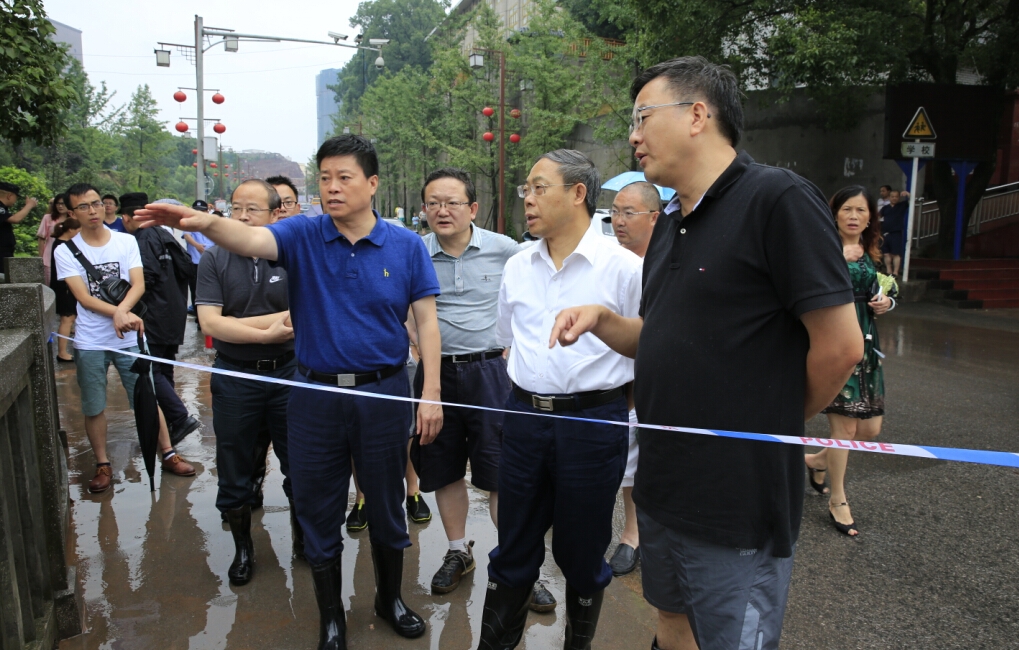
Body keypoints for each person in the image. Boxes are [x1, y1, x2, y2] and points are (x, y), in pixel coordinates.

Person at [548, 57, 863, 650]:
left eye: (644, 116)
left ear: (698, 114)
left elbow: (842, 346)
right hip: (665, 485)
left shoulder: (778, 200)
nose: (633, 135)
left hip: (736, 497)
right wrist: (604, 321)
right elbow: (664, 336)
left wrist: (770, 421)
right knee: (670, 622)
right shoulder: (670, 221)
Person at [134, 134, 443, 649]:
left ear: (372, 183)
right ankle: (331, 620)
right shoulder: (303, 234)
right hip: (314, 396)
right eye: (324, 178)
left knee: (387, 504)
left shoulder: (406, 246)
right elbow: (250, 239)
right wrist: (202, 222)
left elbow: (427, 323)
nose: (332, 187)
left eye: (345, 177)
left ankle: (389, 599)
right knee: (318, 505)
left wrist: (428, 392)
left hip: (384, 393)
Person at [477, 149, 642, 650]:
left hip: (594, 423)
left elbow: (645, 341)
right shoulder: (519, 266)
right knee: (514, 544)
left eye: (538, 186)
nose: (527, 198)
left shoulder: (623, 268)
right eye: (526, 188)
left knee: (582, 548)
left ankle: (579, 643)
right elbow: (509, 336)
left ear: (578, 193)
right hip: (524, 417)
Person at [408, 167, 541, 602]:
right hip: (435, 376)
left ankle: (520, 565)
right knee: (443, 465)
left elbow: (538, 292)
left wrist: (518, 344)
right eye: (433, 203)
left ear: (473, 208)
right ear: (424, 208)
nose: (441, 211)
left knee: (501, 471)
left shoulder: (505, 249)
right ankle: (456, 550)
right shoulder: (414, 251)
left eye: (452, 203)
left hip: (491, 375)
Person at [54, 183, 195, 494]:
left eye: (96, 203)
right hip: (91, 340)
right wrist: (119, 313)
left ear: (107, 207)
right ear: (72, 212)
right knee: (93, 405)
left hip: (129, 337)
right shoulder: (65, 250)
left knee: (146, 398)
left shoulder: (125, 241)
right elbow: (82, 297)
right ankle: (103, 464)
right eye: (83, 207)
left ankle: (168, 452)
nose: (93, 211)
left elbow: (138, 284)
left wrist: (123, 311)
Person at [196, 179, 302, 585]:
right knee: (235, 464)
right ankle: (243, 549)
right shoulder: (214, 258)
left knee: (301, 462)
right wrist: (263, 332)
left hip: (290, 373)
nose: (241, 216)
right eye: (236, 207)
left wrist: (234, 325)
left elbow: (298, 316)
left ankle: (304, 539)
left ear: (276, 214)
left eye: (252, 209)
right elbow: (209, 323)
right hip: (235, 375)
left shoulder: (293, 257)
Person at [804, 186, 894, 536]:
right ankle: (837, 500)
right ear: (835, 214)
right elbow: (807, 284)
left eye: (861, 210)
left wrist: (887, 303)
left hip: (868, 344)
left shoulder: (873, 251)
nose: (854, 216)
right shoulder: (821, 247)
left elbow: (883, 289)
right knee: (845, 429)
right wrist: (840, 257)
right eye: (847, 210)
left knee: (870, 429)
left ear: (870, 215)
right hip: (837, 342)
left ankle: (817, 460)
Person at [605, 181, 660, 578]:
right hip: (616, 380)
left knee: (652, 461)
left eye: (629, 213)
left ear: (655, 217)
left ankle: (644, 535)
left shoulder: (667, 262)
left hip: (659, 377)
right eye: (614, 212)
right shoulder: (606, 260)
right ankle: (623, 533)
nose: (618, 221)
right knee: (624, 459)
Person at [120, 193, 201, 448]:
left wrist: (125, 304)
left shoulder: (143, 238)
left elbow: (147, 278)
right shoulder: (166, 235)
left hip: (154, 316)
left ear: (126, 218)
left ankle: (179, 417)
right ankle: (171, 423)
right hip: (173, 314)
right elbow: (187, 268)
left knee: (151, 371)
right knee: (164, 369)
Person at [51, 217, 81, 362]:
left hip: (65, 286)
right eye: (78, 230)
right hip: (64, 287)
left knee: (69, 319)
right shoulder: (62, 246)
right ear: (71, 230)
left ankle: (63, 351)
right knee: (67, 319)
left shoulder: (61, 243)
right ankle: (62, 352)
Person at [183, 200, 216, 321]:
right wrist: (197, 245)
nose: (199, 213)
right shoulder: (189, 223)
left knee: (211, 290)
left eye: (202, 211)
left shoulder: (213, 223)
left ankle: (210, 317)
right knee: (195, 290)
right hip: (195, 263)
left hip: (211, 263)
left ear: (207, 211)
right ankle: (199, 317)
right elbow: (187, 235)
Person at [0, 181, 38, 261]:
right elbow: (15, 219)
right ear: (9, 195)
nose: (16, 200)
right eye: (16, 197)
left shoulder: (4, 208)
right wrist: (29, 205)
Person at [38, 193, 69, 286]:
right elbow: (41, 238)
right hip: (49, 257)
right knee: (50, 285)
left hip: (68, 256)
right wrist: (40, 257)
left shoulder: (74, 219)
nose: (60, 206)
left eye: (63, 203)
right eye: (58, 203)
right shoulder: (48, 218)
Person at [880, 190, 907, 276]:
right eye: (892, 196)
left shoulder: (902, 205)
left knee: (896, 253)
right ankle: (889, 271)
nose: (894, 198)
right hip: (885, 233)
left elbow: (912, 200)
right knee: (886, 253)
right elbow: (878, 216)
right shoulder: (885, 208)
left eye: (896, 196)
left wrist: (908, 194)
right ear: (889, 197)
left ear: (899, 197)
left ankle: (895, 272)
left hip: (896, 233)